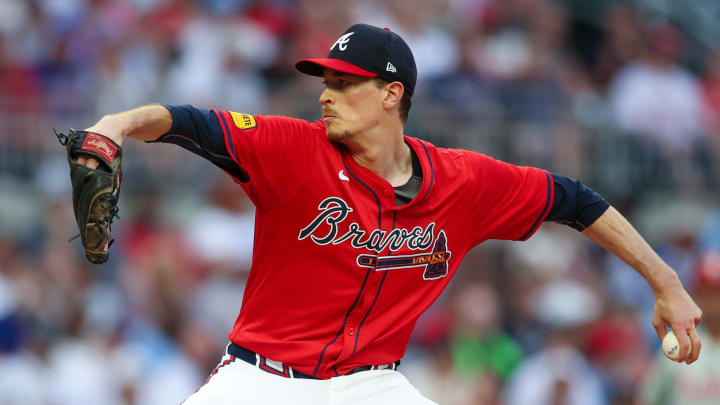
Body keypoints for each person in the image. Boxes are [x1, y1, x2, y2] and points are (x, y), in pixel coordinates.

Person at [74, 23, 702, 405]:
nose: (325, 93)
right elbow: (186, 124)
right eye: (325, 81)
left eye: (344, 84)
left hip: (370, 387)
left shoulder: (465, 181)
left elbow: (577, 201)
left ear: (391, 94)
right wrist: (116, 125)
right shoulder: (292, 148)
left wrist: (665, 280)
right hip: (260, 381)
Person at [637, 251, 720, 405]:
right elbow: (646, 399)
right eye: (706, 292)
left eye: (717, 292)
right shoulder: (677, 344)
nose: (713, 301)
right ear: (697, 294)